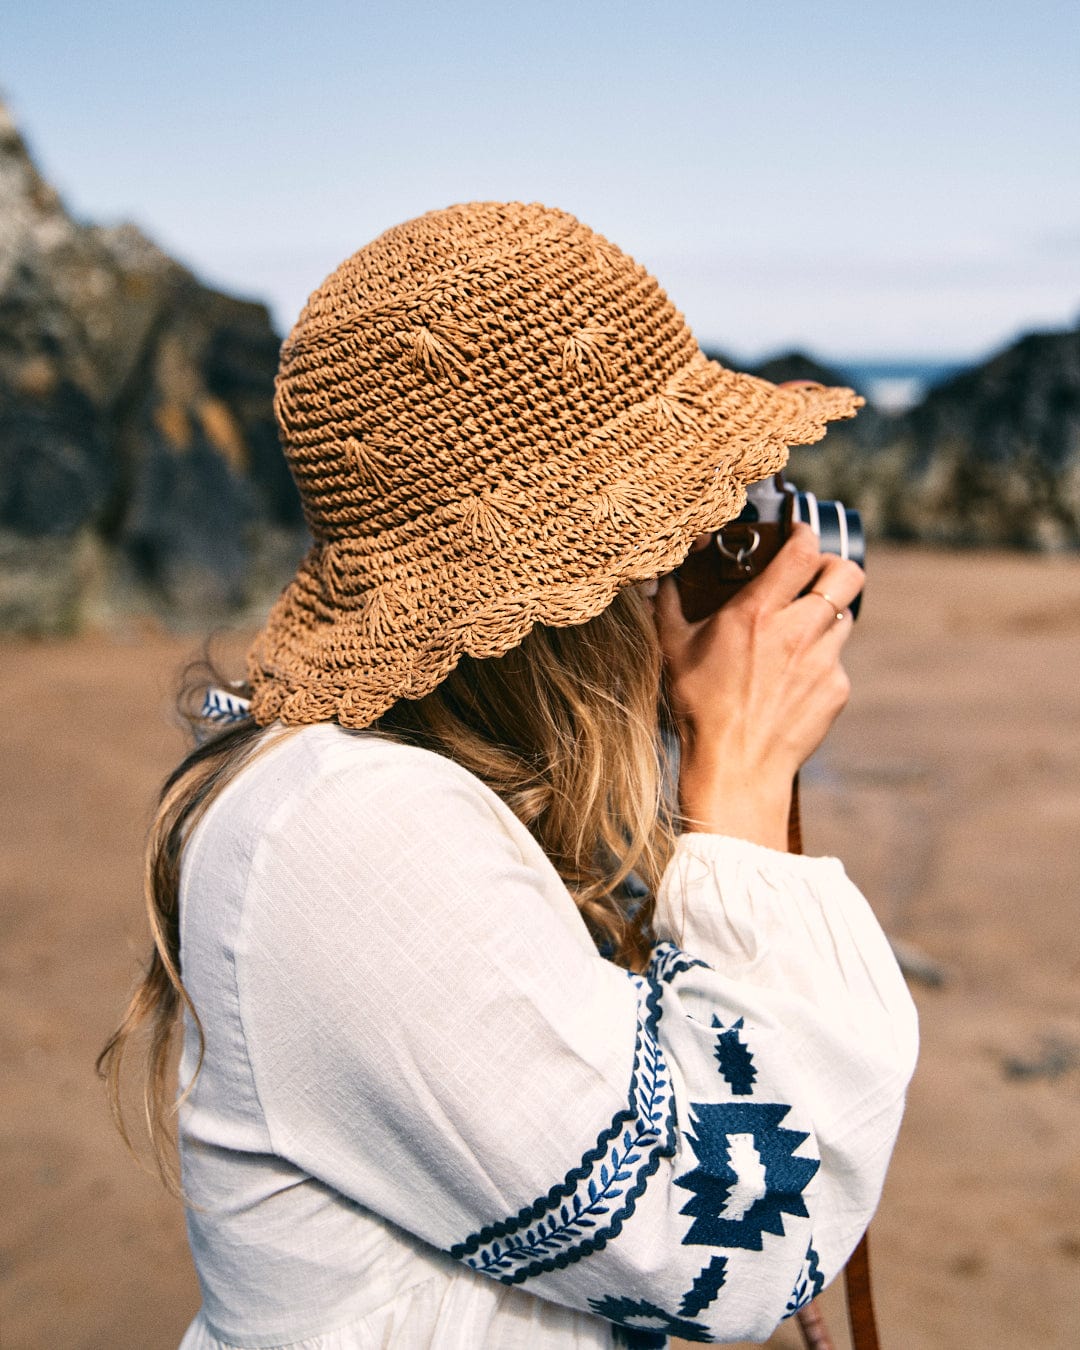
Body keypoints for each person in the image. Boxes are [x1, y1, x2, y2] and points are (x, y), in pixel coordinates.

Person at [100, 201, 918, 1349]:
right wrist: (737, 782)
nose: (679, 570)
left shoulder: (441, 797)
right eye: (663, 532)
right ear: (572, 586)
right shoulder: (347, 827)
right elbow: (726, 1244)